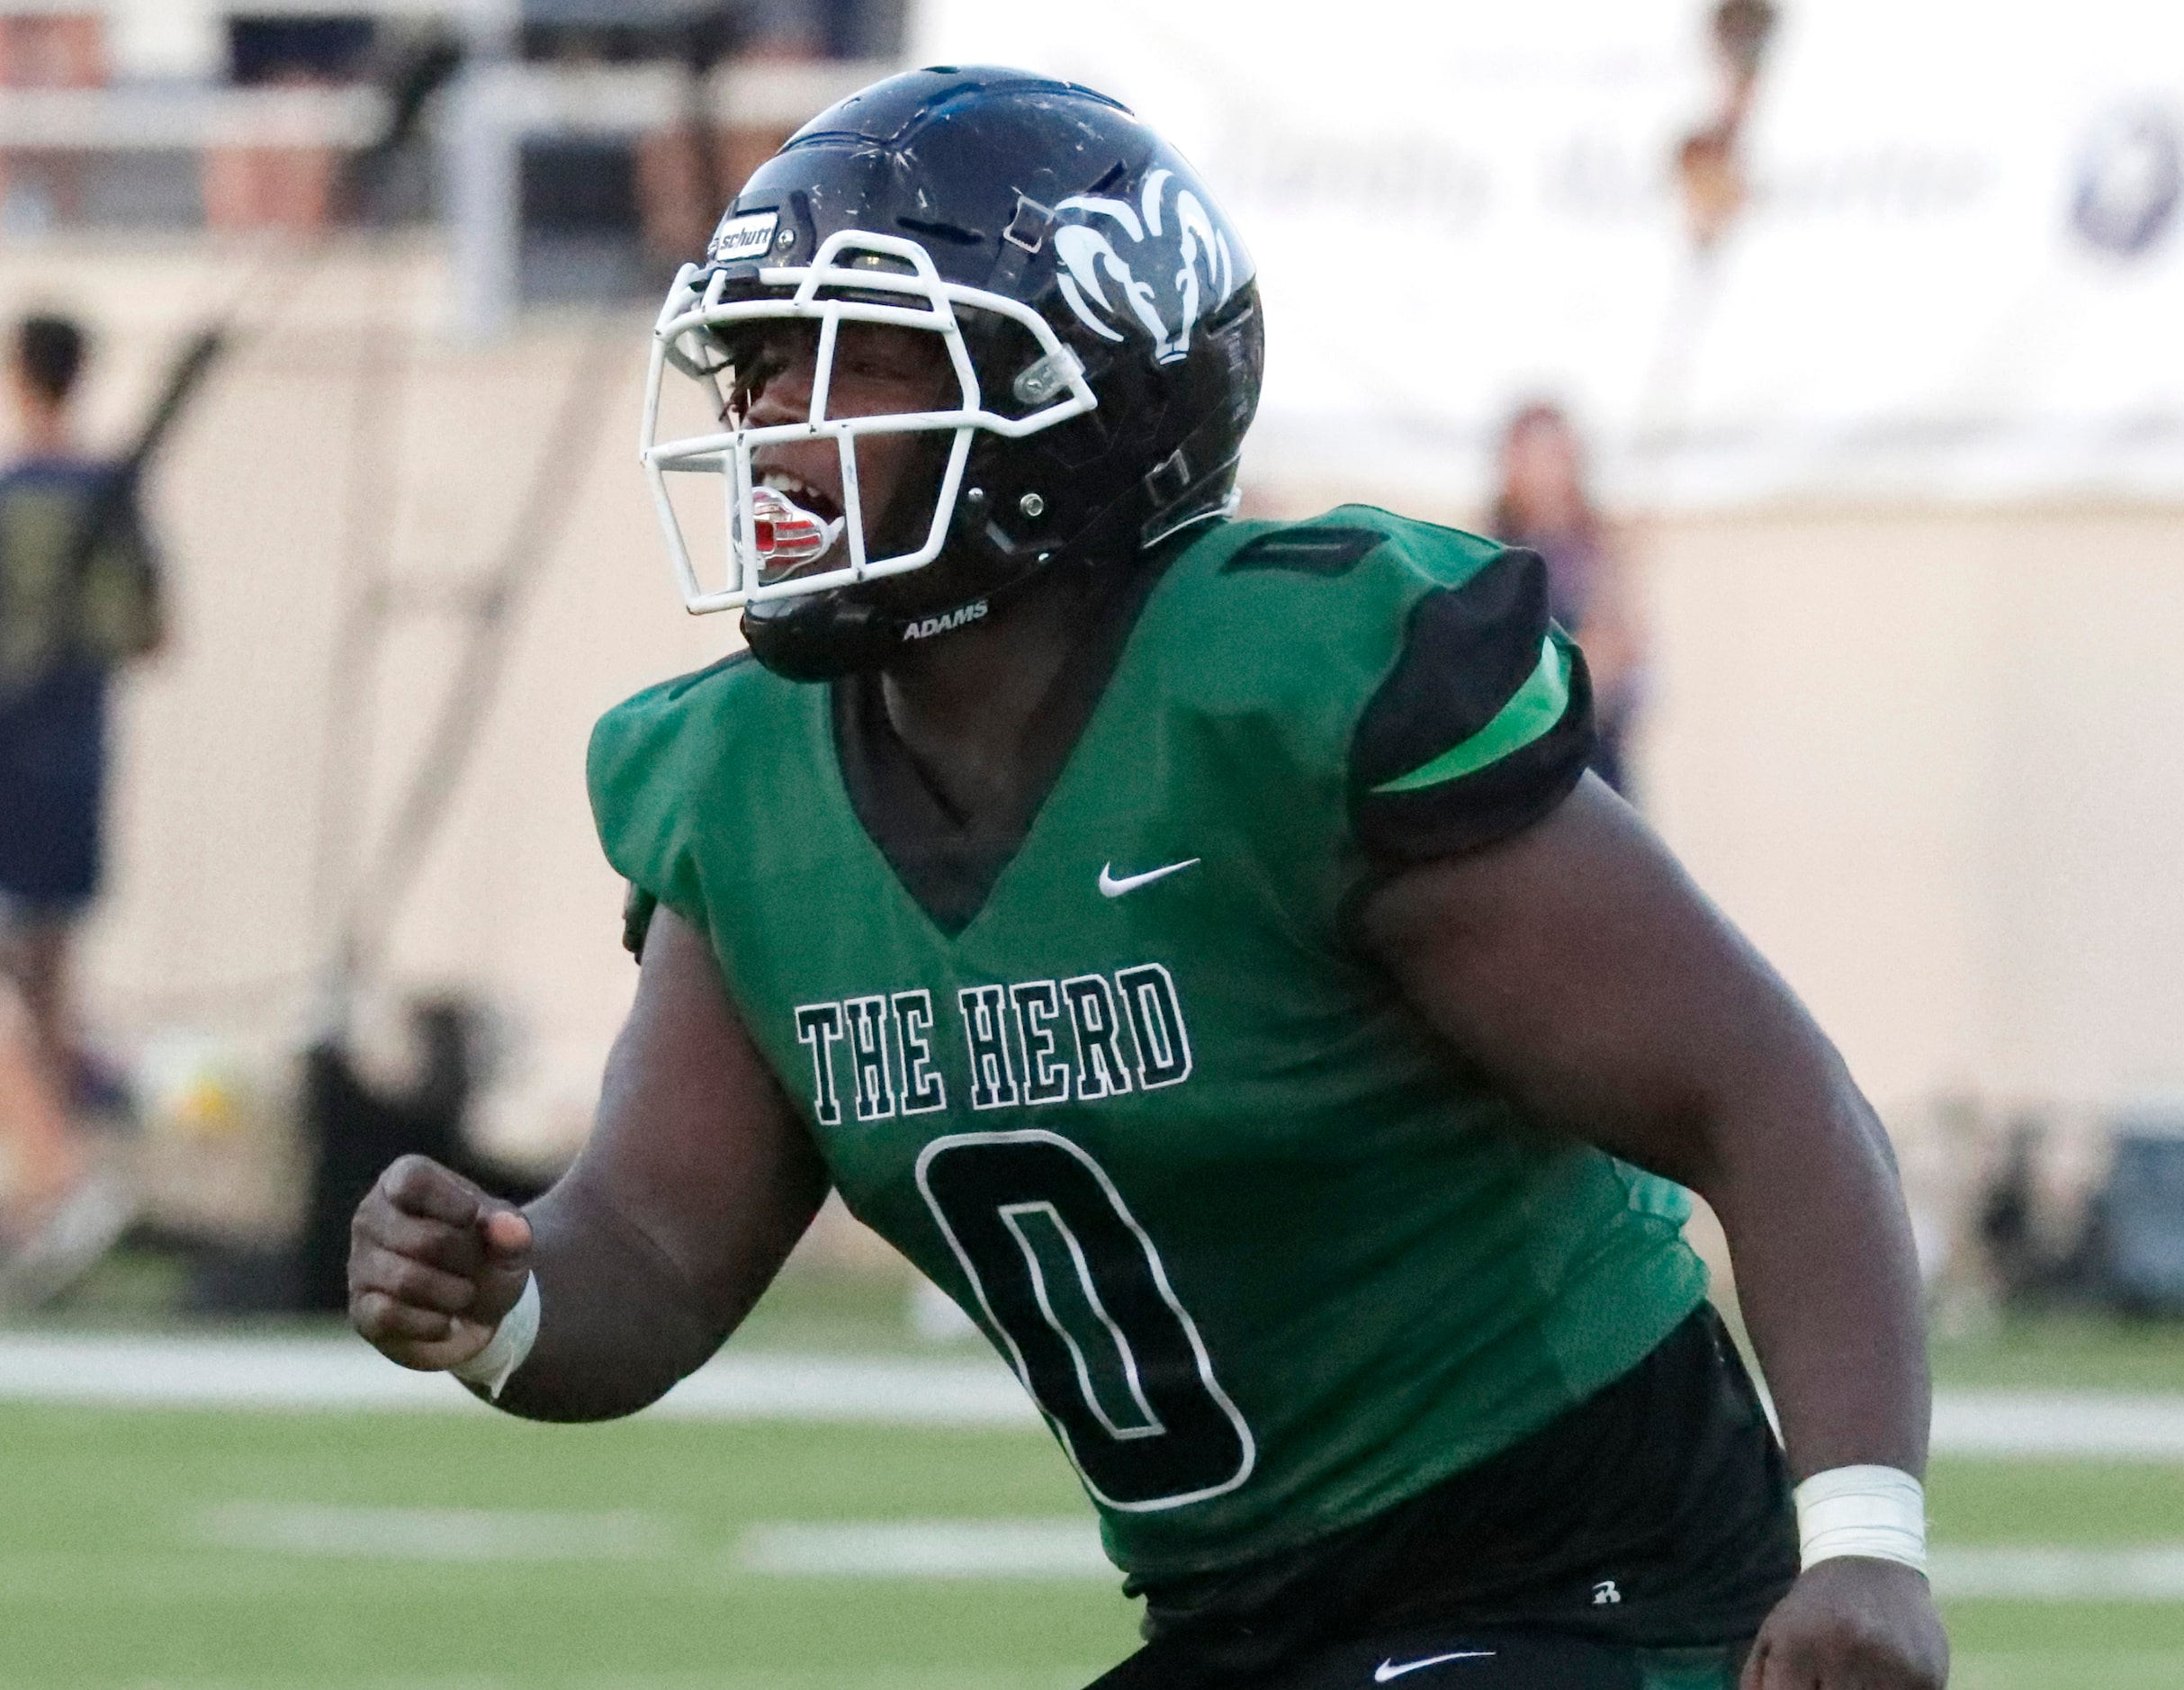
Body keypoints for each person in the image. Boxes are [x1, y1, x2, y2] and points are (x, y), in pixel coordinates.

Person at [346, 68, 1948, 1690]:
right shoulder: (741, 780)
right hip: (1233, 1616)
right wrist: (498, 1292)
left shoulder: (1278, 689)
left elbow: (1765, 1094)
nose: (777, 422)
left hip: (1591, 1575)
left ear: (1069, 398)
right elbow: (652, 1244)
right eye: (759, 367)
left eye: (852, 361)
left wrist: (1865, 1543)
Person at [0, 311, 160, 1299]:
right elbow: (149, 632)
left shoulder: (13, 500)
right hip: (79, 756)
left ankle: (60, 1180)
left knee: (23, 986)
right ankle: (50, 1197)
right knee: (49, 982)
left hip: (10, 753)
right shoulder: (114, 498)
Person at [1486, 403, 1644, 797]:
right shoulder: (1486, 560)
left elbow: (1634, 674)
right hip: (1523, 773)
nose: (1544, 472)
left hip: (1598, 768)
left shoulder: (1602, 554)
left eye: (1554, 455)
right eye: (1532, 455)